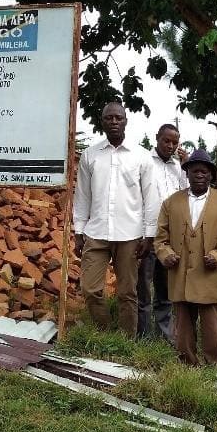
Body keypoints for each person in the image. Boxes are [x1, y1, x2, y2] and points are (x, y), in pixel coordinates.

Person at [73, 102, 159, 335]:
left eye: (118, 118)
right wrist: (78, 231)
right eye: (108, 118)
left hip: (130, 234)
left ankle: (125, 339)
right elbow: (82, 195)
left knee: (127, 292)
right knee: (90, 289)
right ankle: (104, 332)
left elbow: (151, 198)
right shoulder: (90, 156)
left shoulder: (141, 156)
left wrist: (149, 236)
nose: (113, 122)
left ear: (125, 122)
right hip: (96, 232)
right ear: (102, 122)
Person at [154, 149, 217, 365]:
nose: (199, 175)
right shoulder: (171, 203)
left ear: (211, 175)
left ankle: (215, 364)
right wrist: (166, 255)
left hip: (210, 272)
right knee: (182, 321)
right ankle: (187, 362)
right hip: (180, 271)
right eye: (195, 171)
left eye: (204, 171)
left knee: (212, 323)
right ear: (187, 174)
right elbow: (160, 237)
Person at [136, 124, 189, 342]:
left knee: (165, 289)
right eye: (166, 140)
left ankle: (165, 336)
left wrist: (186, 167)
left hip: (170, 238)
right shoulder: (143, 161)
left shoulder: (178, 167)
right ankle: (143, 336)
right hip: (147, 235)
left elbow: (188, 194)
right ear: (157, 138)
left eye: (174, 142)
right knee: (143, 288)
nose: (170, 145)